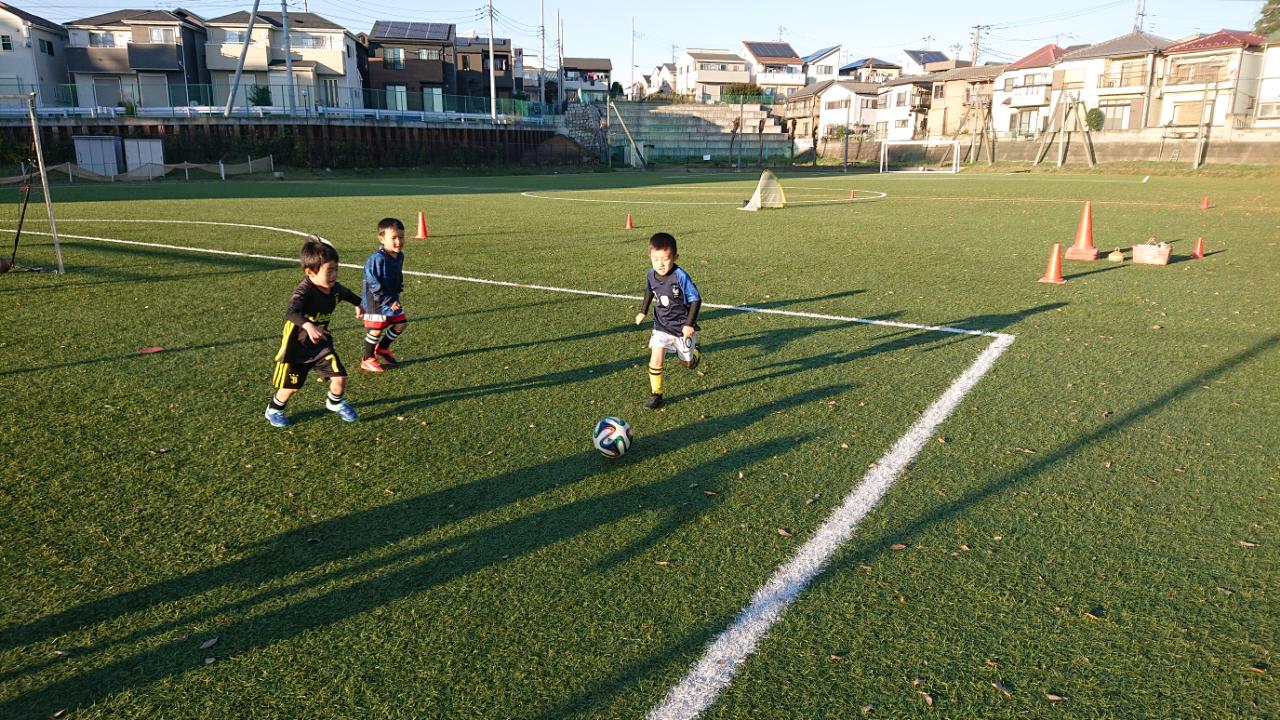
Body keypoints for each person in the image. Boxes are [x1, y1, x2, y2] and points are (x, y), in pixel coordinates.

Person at [266, 237, 362, 428]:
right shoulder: (304, 291)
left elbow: (346, 293)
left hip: (320, 345)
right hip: (297, 347)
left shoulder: (334, 289)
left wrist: (359, 304)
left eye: (336, 269)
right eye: (329, 271)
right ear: (310, 272)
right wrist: (308, 326)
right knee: (291, 388)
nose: (334, 275)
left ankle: (334, 402)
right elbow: (291, 312)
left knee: (340, 377)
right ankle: (274, 410)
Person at [634, 232, 702, 410]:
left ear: (675, 257)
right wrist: (642, 312)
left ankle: (695, 353)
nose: (661, 264)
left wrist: (688, 324)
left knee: (687, 364)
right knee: (656, 359)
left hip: (682, 328)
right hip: (661, 325)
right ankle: (656, 394)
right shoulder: (651, 274)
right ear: (650, 257)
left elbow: (696, 299)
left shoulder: (680, 276)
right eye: (656, 259)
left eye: (665, 259)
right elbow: (649, 290)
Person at [360, 217, 408, 373]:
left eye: (401, 237)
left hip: (391, 298)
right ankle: (367, 359)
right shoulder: (377, 259)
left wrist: (397, 292)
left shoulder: (399, 256)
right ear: (381, 239)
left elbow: (397, 275)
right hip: (376, 300)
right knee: (377, 329)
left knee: (401, 323)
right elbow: (372, 283)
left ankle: (383, 348)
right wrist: (388, 300)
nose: (398, 241)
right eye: (393, 238)